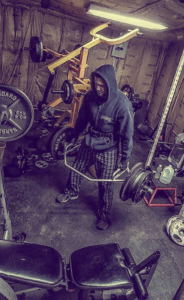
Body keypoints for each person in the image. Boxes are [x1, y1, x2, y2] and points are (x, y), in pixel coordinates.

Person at [56, 64, 134, 230]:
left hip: (108, 147)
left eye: (102, 85)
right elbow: (82, 118)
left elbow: (126, 135)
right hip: (90, 140)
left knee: (105, 183)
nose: (98, 89)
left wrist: (124, 158)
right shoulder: (90, 97)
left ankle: (104, 214)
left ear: (110, 84)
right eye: (96, 84)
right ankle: (71, 191)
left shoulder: (122, 104)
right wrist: (74, 134)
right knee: (77, 168)